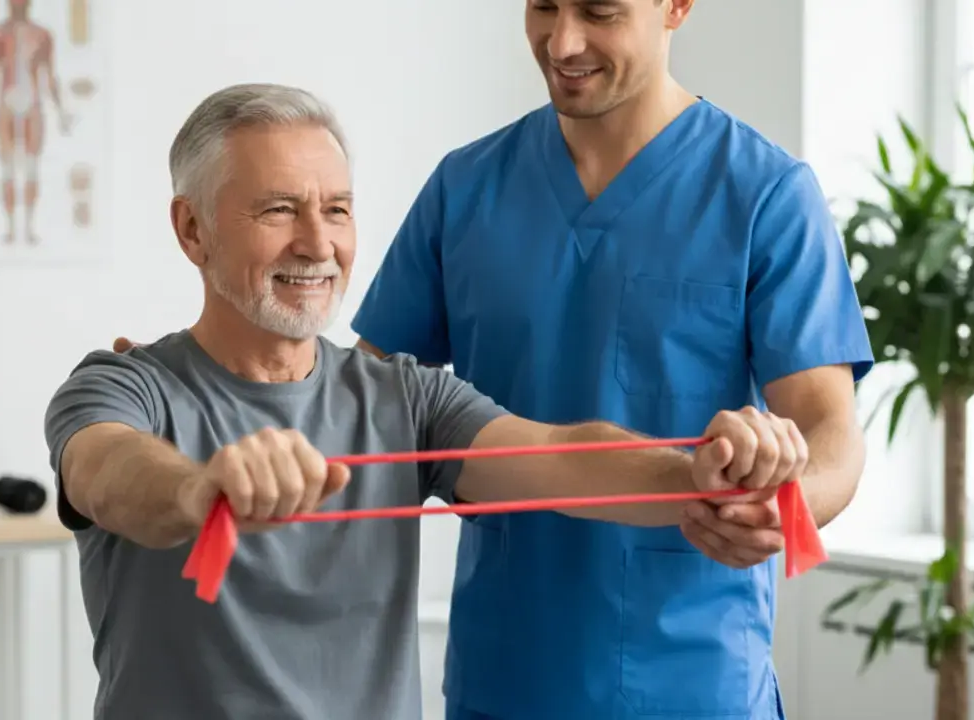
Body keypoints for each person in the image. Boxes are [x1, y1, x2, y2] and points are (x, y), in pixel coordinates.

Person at [47, 83, 810, 720]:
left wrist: (700, 477)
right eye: (278, 210)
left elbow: (558, 457)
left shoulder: (403, 397)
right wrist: (198, 486)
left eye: (337, 210)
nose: (317, 243)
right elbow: (109, 472)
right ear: (193, 229)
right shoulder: (123, 387)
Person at [350, 1, 874, 718]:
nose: (562, 42)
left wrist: (784, 505)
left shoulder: (766, 196)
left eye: (599, 11)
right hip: (504, 676)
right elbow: (353, 407)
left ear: (677, 7)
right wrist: (185, 391)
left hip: (691, 683)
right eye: (543, 7)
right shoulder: (464, 188)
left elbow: (829, 432)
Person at [0, 0, 74, 245]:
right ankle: (10, 228)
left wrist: (61, 112)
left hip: (32, 103)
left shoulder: (41, 35)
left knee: (31, 167)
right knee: (7, 168)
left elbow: (49, 75)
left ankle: (28, 227)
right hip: (7, 101)